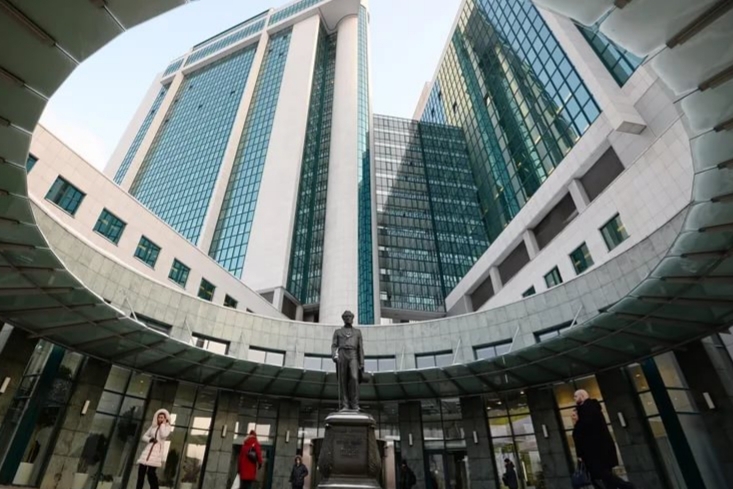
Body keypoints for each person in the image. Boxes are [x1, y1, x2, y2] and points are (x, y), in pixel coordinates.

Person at [573, 390, 635, 489]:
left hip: (595, 451)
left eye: (576, 396)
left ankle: (627, 486)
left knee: (600, 474)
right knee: (603, 476)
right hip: (600, 450)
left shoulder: (586, 410)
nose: (574, 398)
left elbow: (584, 432)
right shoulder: (592, 409)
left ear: (582, 396)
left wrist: (580, 453)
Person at [331, 310, 365, 411]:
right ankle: (345, 405)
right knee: (343, 380)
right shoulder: (338, 332)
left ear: (352, 318)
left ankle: (355, 404)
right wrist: (335, 356)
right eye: (346, 317)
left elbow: (360, 348)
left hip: (353, 355)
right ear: (343, 319)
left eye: (350, 316)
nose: (348, 318)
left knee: (354, 378)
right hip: (342, 355)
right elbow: (334, 346)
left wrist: (361, 362)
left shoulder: (357, 332)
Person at [135, 408, 171, 489]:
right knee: (141, 473)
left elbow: (163, 435)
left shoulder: (167, 427)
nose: (160, 419)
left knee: (151, 473)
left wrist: (163, 425)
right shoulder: (153, 427)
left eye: (162, 417)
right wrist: (150, 439)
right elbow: (144, 436)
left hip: (156, 453)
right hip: (147, 452)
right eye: (159, 417)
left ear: (165, 418)